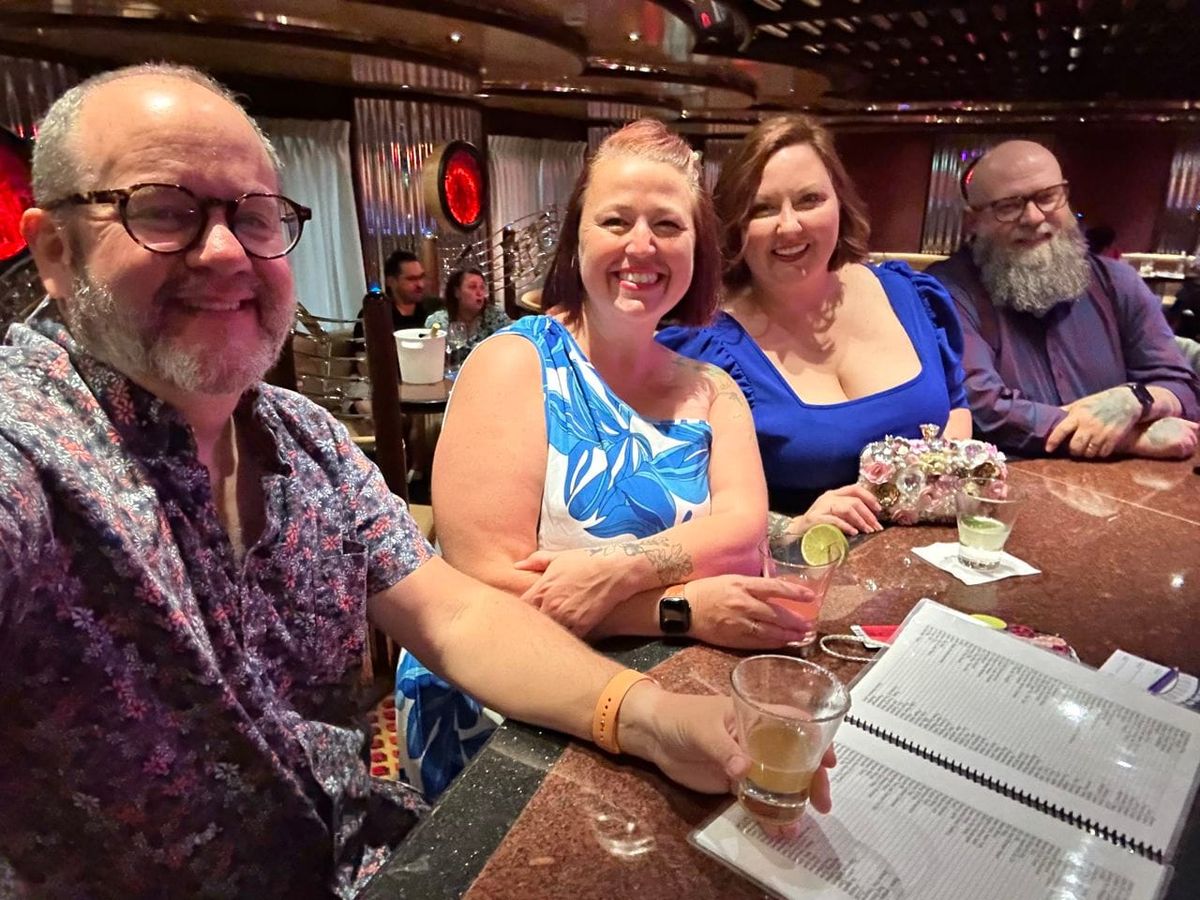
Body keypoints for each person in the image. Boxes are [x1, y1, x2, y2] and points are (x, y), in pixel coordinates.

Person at [0, 65, 832, 897]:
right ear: (54, 252)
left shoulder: (308, 442)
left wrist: (651, 719)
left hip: (373, 860)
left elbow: (458, 612)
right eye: (163, 212)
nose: (223, 251)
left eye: (254, 217)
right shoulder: (34, 448)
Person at [433, 119, 817, 651]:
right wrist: (679, 609)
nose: (642, 245)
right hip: (503, 694)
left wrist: (616, 568)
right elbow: (487, 587)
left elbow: (742, 532)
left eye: (667, 225)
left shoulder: (714, 390)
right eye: (615, 221)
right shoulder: (513, 364)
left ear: (697, 248)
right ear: (576, 239)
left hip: (654, 678)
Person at [657, 115, 972, 538]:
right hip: (795, 577)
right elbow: (677, 503)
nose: (789, 226)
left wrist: (933, 483)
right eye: (763, 209)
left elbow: (955, 404)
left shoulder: (911, 294)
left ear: (839, 202)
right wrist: (792, 527)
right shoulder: (698, 348)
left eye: (809, 200)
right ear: (733, 225)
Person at [926, 140, 1200, 460]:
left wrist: (1133, 401)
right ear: (973, 221)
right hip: (1010, 488)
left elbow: (1182, 386)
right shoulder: (945, 290)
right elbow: (983, 408)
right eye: (1008, 206)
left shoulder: (1117, 282)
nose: (1032, 216)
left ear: (1065, 197)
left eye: (1047, 197)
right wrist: (1125, 438)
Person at [423, 266, 511, 352]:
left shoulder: (496, 317)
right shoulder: (438, 321)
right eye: (472, 287)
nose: (479, 293)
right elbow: (430, 354)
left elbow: (512, 344)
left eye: (482, 287)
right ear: (457, 292)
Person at [353, 248, 428, 342]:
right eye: (411, 279)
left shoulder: (430, 309)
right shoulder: (376, 312)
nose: (420, 284)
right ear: (391, 281)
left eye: (421, 277)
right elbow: (361, 352)